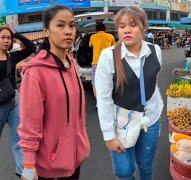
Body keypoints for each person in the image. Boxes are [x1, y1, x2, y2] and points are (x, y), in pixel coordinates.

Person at [18, 5, 90, 180]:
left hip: (75, 160)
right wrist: (28, 165)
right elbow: (29, 125)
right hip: (49, 167)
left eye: (72, 25)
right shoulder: (35, 73)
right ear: (46, 31)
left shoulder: (71, 63)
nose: (68, 31)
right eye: (60, 25)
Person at [95, 6, 163, 180]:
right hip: (122, 122)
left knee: (146, 164)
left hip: (150, 120)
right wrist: (109, 135)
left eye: (133, 24)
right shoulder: (108, 56)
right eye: (122, 25)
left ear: (144, 27)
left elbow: (152, 84)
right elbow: (103, 99)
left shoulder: (155, 51)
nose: (127, 30)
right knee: (124, 171)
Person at [0, 25, 35, 177]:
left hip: (13, 101)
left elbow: (31, 47)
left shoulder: (12, 57)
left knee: (19, 138)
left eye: (9, 38)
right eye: (3, 37)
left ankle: (22, 172)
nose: (7, 40)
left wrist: (16, 34)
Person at [89, 23, 115, 97]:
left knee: (95, 82)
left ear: (96, 30)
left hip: (96, 62)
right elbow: (113, 46)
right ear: (105, 29)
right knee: (108, 81)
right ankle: (108, 98)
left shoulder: (93, 36)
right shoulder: (110, 36)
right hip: (108, 62)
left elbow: (90, 45)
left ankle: (98, 102)